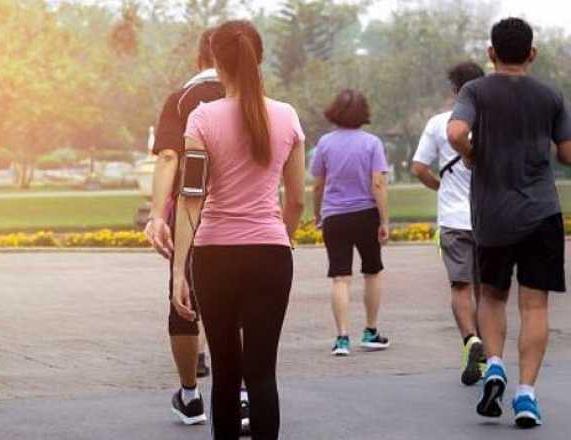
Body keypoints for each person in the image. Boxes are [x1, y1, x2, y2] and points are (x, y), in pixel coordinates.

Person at [166, 19, 306, 439]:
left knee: (226, 375)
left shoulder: (202, 118)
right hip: (270, 254)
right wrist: (284, 238)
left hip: (214, 258)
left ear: (215, 61)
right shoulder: (287, 116)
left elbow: (191, 197)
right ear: (259, 58)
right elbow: (297, 199)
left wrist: (179, 271)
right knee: (262, 373)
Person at [447, 17, 571, 429]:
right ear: (531, 53)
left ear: (491, 53)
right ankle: (526, 396)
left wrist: (469, 152)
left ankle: (495, 365)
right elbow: (568, 153)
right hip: (541, 213)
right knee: (535, 306)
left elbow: (455, 131)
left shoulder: (474, 90)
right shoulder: (550, 95)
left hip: (492, 216)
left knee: (493, 297)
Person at [145, 27, 222, 428]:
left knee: (183, 296)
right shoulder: (252, 101)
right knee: (240, 303)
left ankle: (190, 396)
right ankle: (240, 393)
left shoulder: (180, 100)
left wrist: (158, 214)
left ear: (198, 59)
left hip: (190, 213)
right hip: (242, 214)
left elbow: (169, 157)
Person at [411, 61, 486, 386]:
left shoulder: (440, 123)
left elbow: (418, 167)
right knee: (489, 292)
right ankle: (488, 359)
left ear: (455, 90)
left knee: (460, 286)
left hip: (453, 220)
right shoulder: (492, 121)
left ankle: (470, 340)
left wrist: (439, 186)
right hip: (489, 217)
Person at [310, 89, 391, 357]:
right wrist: (384, 220)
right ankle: (370, 331)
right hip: (366, 215)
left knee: (340, 277)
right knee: (372, 271)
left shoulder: (324, 144)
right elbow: (378, 183)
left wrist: (319, 214)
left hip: (335, 217)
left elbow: (318, 185)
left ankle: (342, 338)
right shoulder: (372, 143)